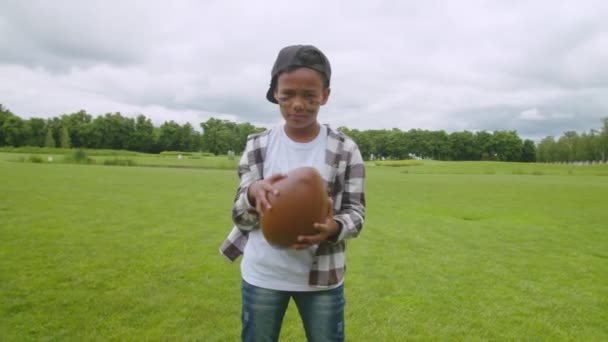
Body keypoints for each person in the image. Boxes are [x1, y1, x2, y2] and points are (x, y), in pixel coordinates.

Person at [220, 44, 366, 342]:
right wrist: (251, 195)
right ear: (275, 92)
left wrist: (333, 227)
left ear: (325, 95)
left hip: (321, 279)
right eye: (288, 95)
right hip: (263, 274)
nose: (298, 104)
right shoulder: (258, 145)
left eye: (309, 96)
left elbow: (356, 212)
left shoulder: (345, 149)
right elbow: (239, 215)